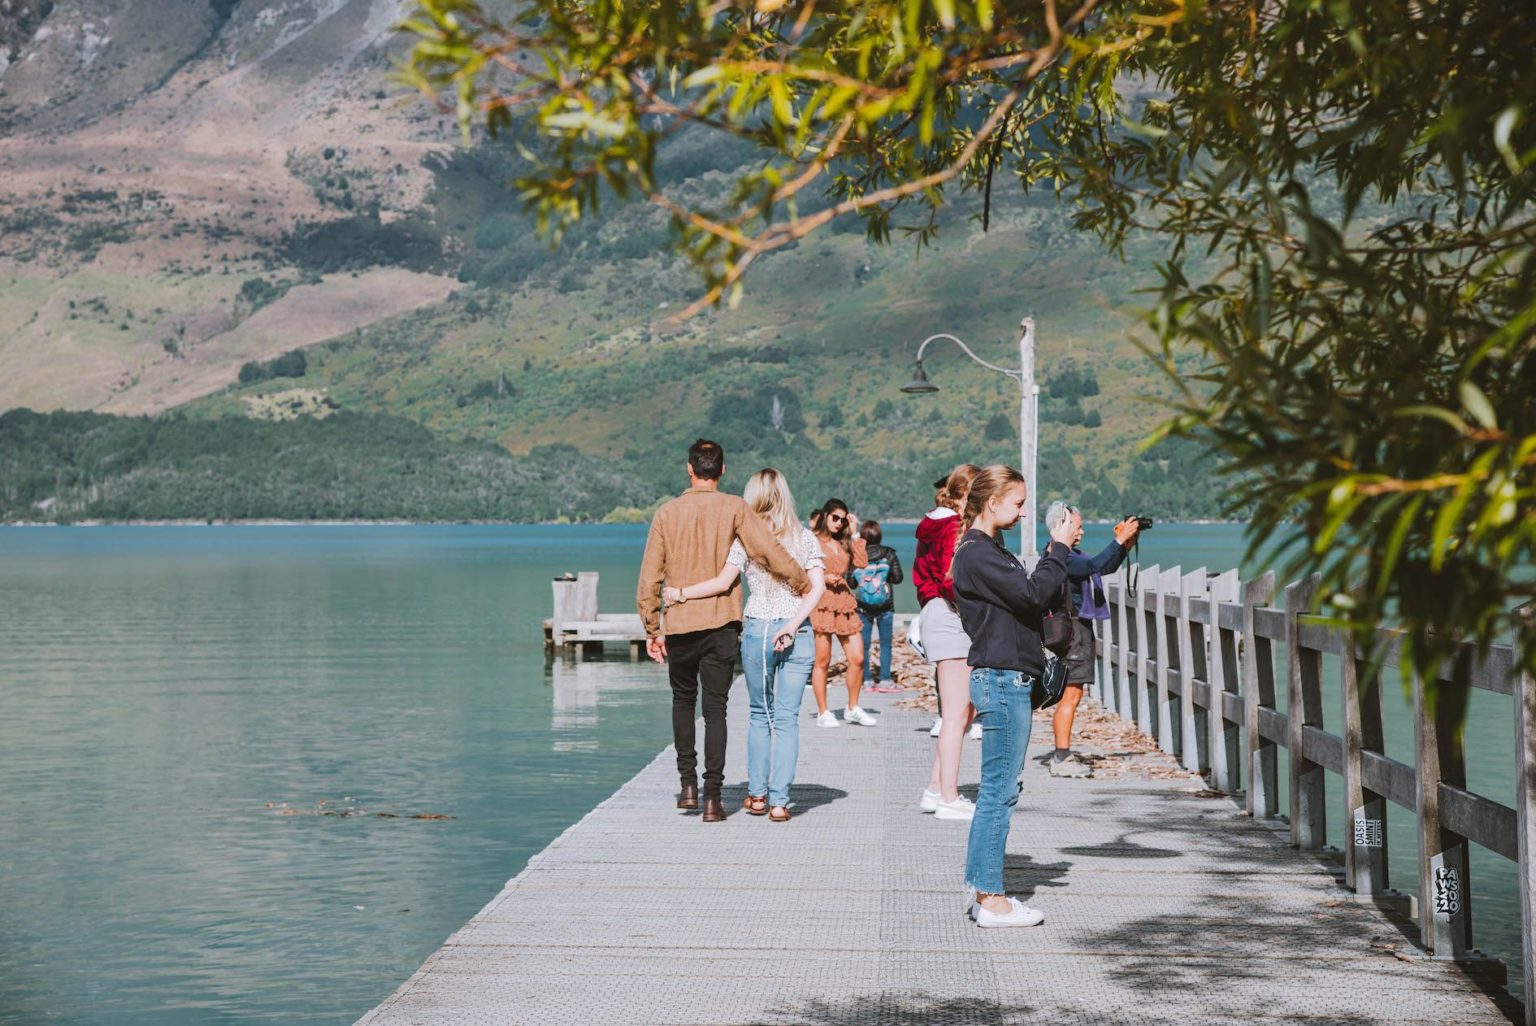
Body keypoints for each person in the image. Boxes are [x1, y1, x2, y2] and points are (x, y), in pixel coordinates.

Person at [636, 440, 809, 823]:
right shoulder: (735, 507)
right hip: (721, 626)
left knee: (683, 702)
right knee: (715, 710)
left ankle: (688, 785)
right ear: (723, 470)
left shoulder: (666, 513)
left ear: (689, 468)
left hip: (680, 624)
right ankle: (714, 799)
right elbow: (766, 550)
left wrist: (652, 626)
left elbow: (650, 575)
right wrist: (800, 580)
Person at [952, 465, 1077, 927]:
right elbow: (1033, 593)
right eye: (1018, 503)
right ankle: (990, 899)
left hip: (1007, 678)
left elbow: (1028, 597)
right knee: (999, 792)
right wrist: (1058, 549)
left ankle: (985, 891)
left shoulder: (986, 550)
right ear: (992, 501)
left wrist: (1056, 554)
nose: (1023, 511)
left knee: (1001, 789)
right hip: (1002, 680)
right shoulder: (978, 554)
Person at [1043, 502, 1142, 778]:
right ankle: (1061, 757)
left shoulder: (1066, 555)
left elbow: (1100, 568)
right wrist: (1118, 540)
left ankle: (1062, 754)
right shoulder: (1062, 557)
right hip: (1072, 631)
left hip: (1074, 629)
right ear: (1060, 526)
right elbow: (1095, 564)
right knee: (1071, 695)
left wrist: (1124, 546)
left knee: (1071, 694)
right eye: (1077, 526)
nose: (1082, 531)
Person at [912, 464, 981, 819]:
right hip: (951, 616)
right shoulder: (952, 526)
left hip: (938, 612)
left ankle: (936, 787)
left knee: (963, 712)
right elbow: (949, 577)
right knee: (956, 715)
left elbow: (925, 575)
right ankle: (949, 798)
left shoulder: (935, 524)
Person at [807, 498, 876, 727]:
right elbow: (798, 571)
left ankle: (852, 707)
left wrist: (855, 534)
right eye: (834, 517)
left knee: (857, 657)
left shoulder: (845, 541)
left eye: (842, 519)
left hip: (844, 601)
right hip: (821, 600)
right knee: (823, 660)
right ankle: (823, 712)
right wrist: (821, 577)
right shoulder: (812, 541)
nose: (838, 523)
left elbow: (862, 563)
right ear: (826, 516)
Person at [850, 520, 904, 692]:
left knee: (863, 645)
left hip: (863, 606)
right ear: (879, 535)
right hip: (885, 605)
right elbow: (898, 578)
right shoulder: (889, 553)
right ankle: (885, 680)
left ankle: (866, 680)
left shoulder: (858, 555)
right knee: (885, 643)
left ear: (863, 536)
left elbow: (850, 582)